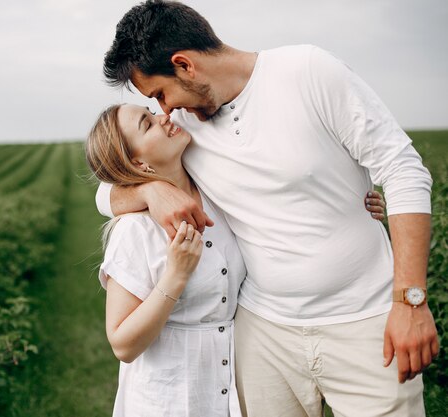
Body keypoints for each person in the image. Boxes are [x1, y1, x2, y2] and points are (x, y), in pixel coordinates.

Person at [95, 1, 439, 416]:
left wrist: (410, 301)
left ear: (184, 65)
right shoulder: (182, 126)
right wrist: (151, 192)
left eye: (160, 94)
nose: (163, 110)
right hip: (263, 333)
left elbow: (404, 170)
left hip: (367, 322)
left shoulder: (308, 72)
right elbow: (109, 186)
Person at [86, 103, 385, 417]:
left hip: (233, 384)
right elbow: (123, 344)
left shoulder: (217, 195)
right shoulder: (135, 229)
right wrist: (175, 275)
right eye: (147, 124)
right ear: (139, 163)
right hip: (169, 397)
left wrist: (352, 203)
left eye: (152, 110)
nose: (165, 116)